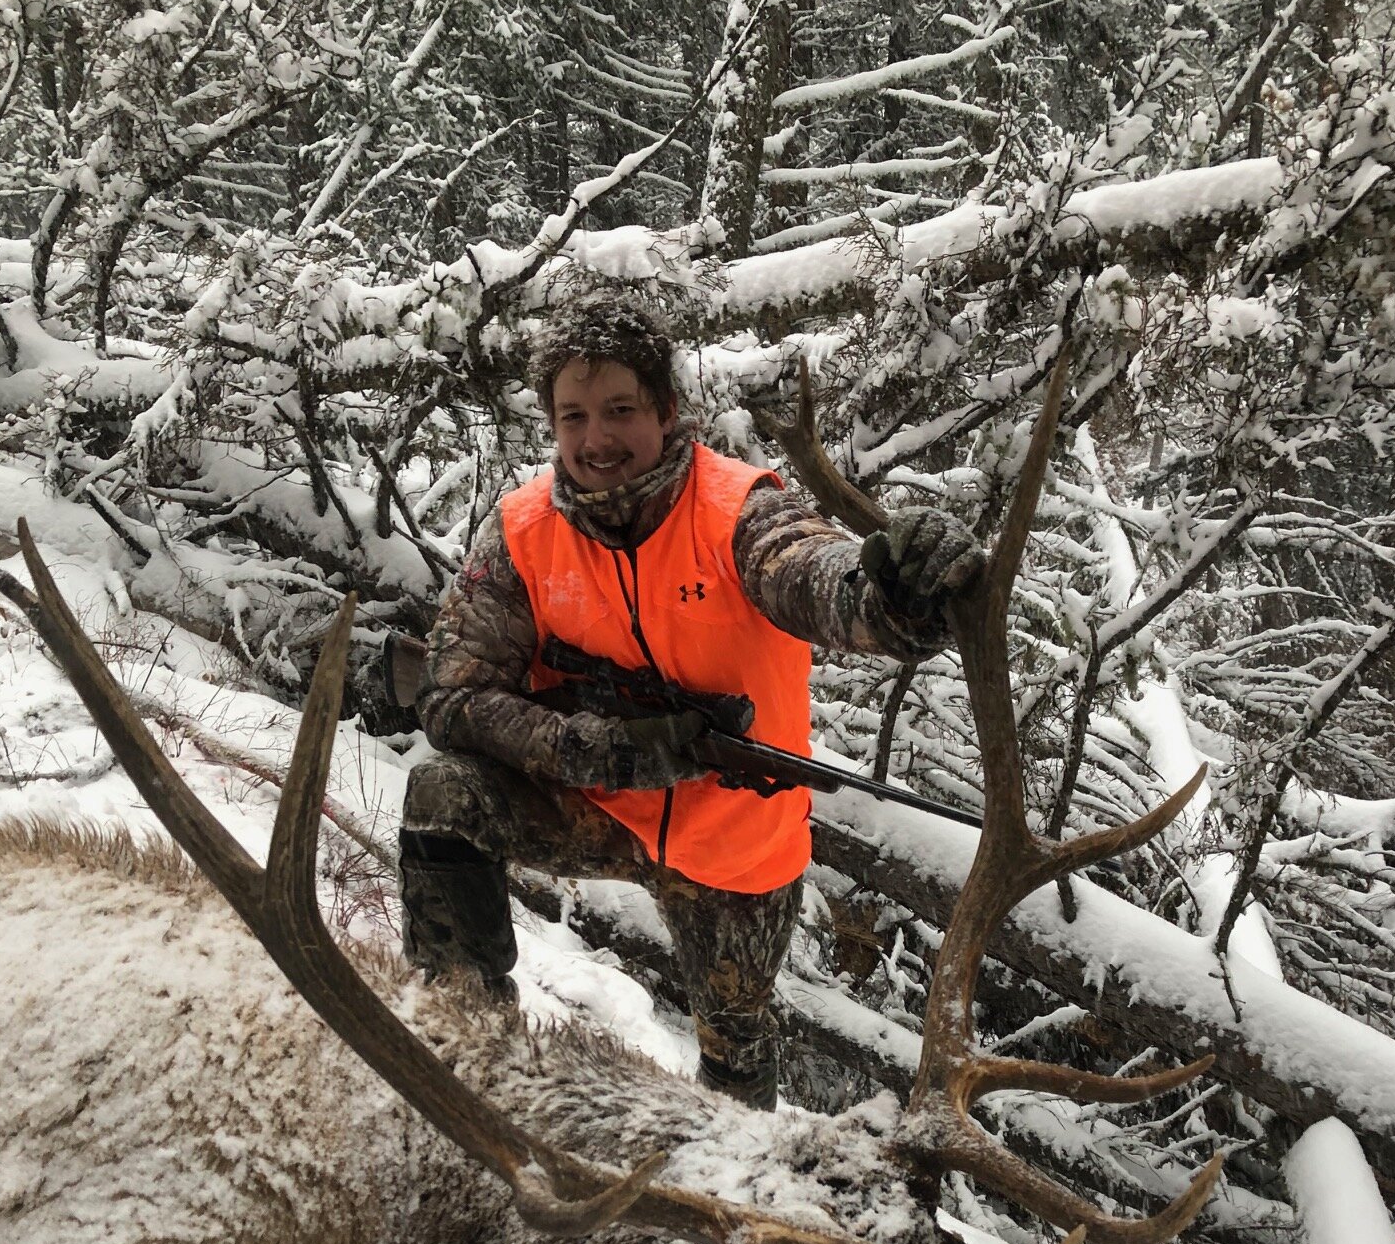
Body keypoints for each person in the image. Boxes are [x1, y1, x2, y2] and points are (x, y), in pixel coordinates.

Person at [399, 291, 981, 1110]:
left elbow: (815, 576)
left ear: (667, 411)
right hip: (596, 807)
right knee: (442, 793)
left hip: (735, 847)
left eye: (620, 410)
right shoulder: (524, 531)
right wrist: (585, 749)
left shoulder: (739, 515)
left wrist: (896, 595)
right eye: (573, 417)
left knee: (735, 1066)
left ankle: (731, 1197)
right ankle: (459, 1060)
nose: (596, 440)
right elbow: (451, 697)